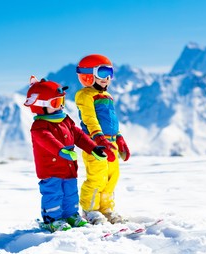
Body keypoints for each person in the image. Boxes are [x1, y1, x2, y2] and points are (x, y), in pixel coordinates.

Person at [24, 76, 108, 232]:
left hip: (69, 167)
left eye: (61, 102)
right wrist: (61, 151)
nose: (61, 106)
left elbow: (78, 135)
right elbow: (47, 140)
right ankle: (52, 219)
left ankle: (71, 215)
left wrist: (93, 148)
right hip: (51, 170)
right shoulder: (39, 126)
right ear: (40, 106)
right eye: (56, 103)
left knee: (70, 193)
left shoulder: (65, 119)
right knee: (53, 194)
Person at [75, 54, 131, 225]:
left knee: (112, 177)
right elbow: (89, 119)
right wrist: (99, 138)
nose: (107, 78)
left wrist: (119, 138)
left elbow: (111, 122)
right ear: (88, 75)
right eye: (103, 72)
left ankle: (106, 209)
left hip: (111, 142)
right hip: (95, 144)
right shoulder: (85, 95)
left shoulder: (107, 95)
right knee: (97, 177)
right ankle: (90, 210)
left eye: (110, 73)